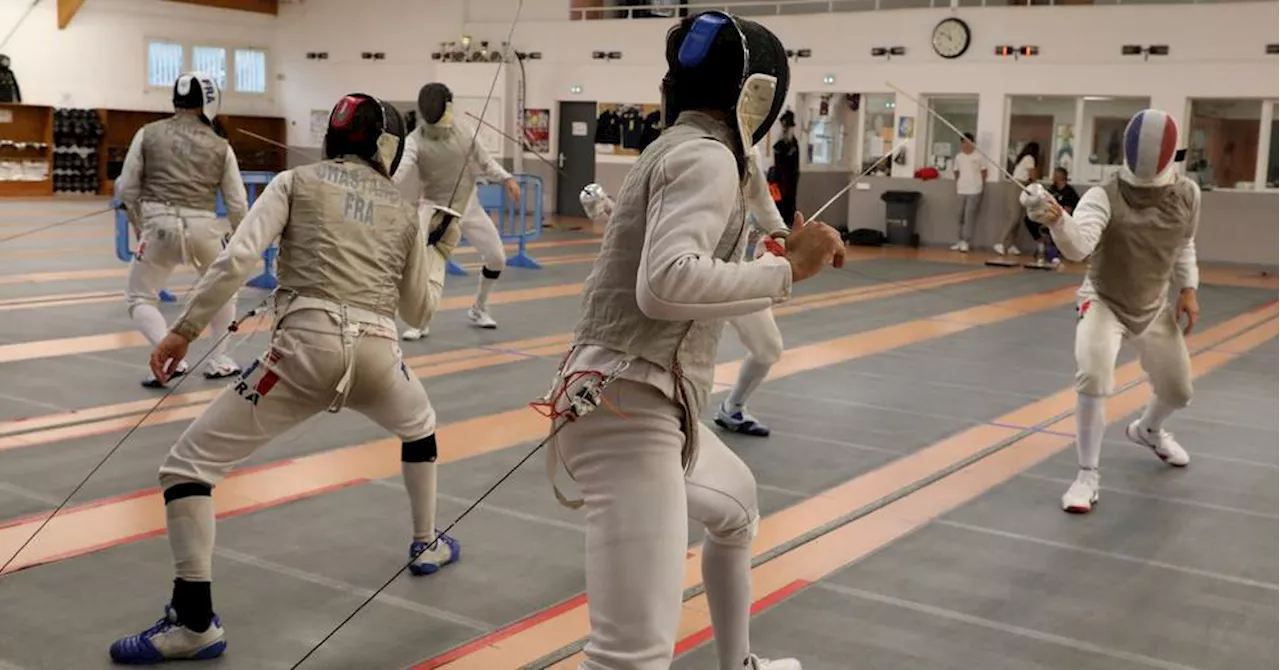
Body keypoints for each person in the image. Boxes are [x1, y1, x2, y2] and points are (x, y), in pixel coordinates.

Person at [109, 94, 463, 665]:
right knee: (420, 425)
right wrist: (440, 250)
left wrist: (184, 331)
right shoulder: (402, 210)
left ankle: (195, 623)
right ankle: (427, 542)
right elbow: (420, 314)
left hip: (302, 352)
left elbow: (238, 259)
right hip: (379, 356)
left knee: (185, 468)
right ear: (387, 148)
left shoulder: (295, 180)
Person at [540, 12, 845, 670]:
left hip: (634, 403)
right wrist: (790, 270)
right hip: (628, 411)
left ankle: (738, 663)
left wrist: (780, 247)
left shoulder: (684, 147)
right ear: (758, 95)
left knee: (736, 511)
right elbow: (665, 283)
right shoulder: (704, 156)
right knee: (633, 656)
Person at [1021, 108, 1200, 515]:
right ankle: (1087, 475)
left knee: (1179, 391)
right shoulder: (1104, 194)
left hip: (1153, 304)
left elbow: (1185, 243)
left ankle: (1148, 430)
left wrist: (1188, 289)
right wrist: (1056, 219)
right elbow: (1079, 247)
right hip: (1104, 298)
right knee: (1093, 375)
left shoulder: (1188, 193)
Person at [579, 141, 791, 439]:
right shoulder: (678, 149)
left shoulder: (747, 154)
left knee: (768, 348)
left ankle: (733, 409)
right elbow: (642, 218)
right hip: (681, 278)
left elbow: (764, 207)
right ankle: (656, 428)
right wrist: (607, 207)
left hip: (728, 277)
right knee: (677, 360)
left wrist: (783, 238)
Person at [115, 72, 249, 387]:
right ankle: (219, 360)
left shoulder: (147, 133)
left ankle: (170, 356)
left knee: (139, 297)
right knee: (222, 290)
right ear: (210, 101)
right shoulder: (221, 146)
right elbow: (237, 202)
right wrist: (241, 241)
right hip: (204, 229)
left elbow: (126, 189)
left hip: (158, 226)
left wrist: (141, 225)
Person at [394, 82, 522, 339]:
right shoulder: (414, 141)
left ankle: (479, 308)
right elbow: (399, 171)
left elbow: (486, 162)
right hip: (434, 212)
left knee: (497, 257)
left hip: (468, 207)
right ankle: (420, 321)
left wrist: (507, 178)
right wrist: (379, 182)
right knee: (426, 272)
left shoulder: (465, 131)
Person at [1023, 166, 1080, 267]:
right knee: (1029, 219)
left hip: (1061, 218)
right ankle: (1041, 242)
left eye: (1054, 175)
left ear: (1060, 177)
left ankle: (1054, 254)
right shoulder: (1051, 190)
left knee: (1054, 223)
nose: (1052, 177)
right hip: (1047, 215)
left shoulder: (1069, 192)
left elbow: (1068, 210)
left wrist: (1054, 215)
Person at [994, 141, 1040, 256]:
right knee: (1014, 216)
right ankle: (1001, 242)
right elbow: (1033, 174)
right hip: (1017, 186)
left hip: (1022, 187)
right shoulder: (1030, 158)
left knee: (1019, 217)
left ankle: (1010, 244)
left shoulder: (1024, 158)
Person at [950, 132, 986, 253]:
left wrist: (979, 184)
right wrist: (960, 183)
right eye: (963, 142)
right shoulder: (959, 157)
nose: (965, 145)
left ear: (972, 143)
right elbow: (956, 172)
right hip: (961, 189)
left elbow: (984, 172)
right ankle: (959, 240)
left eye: (968, 142)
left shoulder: (979, 156)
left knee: (969, 215)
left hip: (975, 190)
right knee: (959, 215)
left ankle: (966, 241)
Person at [771, 109, 800, 226]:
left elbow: (794, 165)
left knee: (789, 202)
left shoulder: (793, 144)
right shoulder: (779, 143)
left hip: (789, 180)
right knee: (777, 202)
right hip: (778, 179)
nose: (784, 129)